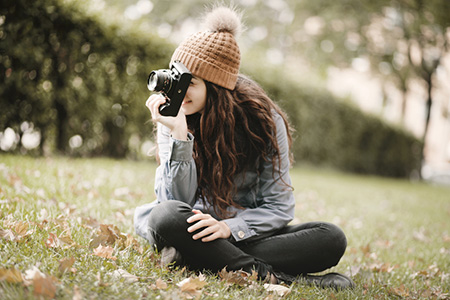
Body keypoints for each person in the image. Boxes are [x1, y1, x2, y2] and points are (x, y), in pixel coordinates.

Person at [134, 6, 354, 289]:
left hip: (240, 233)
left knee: (330, 237)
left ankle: (195, 259)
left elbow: (279, 206)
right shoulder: (174, 116)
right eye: (176, 78)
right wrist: (178, 135)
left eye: (190, 82)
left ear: (214, 87)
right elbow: (174, 203)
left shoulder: (263, 121)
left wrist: (228, 228)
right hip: (188, 226)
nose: (178, 89)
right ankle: (271, 277)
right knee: (163, 216)